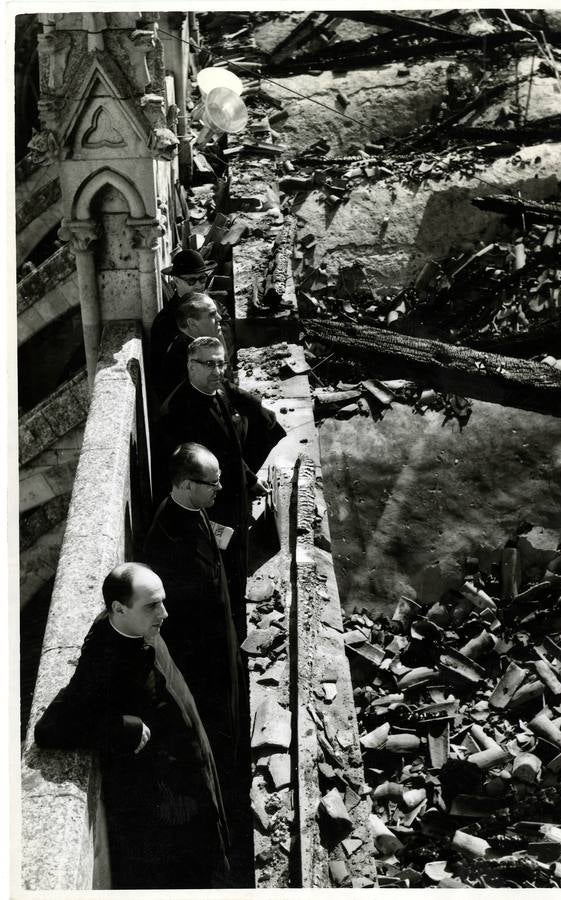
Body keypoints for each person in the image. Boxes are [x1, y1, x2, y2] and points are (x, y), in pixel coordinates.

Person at [34, 563, 229, 890]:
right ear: (118, 609)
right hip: (169, 790)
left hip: (193, 760)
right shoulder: (104, 654)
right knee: (188, 865)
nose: (164, 613)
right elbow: (50, 728)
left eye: (162, 601)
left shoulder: (140, 626)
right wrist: (123, 729)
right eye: (152, 605)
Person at [159, 337, 285, 638]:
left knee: (236, 568)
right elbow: (191, 479)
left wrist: (250, 479)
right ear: (191, 365)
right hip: (213, 510)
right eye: (209, 364)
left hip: (233, 503)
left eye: (221, 363)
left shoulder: (216, 390)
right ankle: (230, 632)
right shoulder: (180, 411)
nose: (217, 370)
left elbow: (232, 446)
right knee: (221, 577)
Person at [144, 443, 242, 782]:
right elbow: (179, 618)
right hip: (203, 658)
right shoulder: (167, 537)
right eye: (212, 484)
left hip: (219, 639)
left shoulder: (193, 508)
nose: (220, 489)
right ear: (187, 484)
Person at [150, 248, 216, 396]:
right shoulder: (165, 322)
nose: (199, 285)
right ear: (176, 281)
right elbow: (165, 378)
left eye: (202, 278)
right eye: (191, 280)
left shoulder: (209, 306)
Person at [153, 292, 233, 403]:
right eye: (212, 314)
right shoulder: (189, 356)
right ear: (192, 324)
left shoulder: (196, 344)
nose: (219, 318)